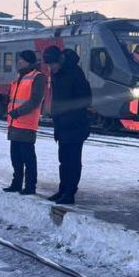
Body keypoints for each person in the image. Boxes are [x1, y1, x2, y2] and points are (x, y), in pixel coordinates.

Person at [43, 46, 92, 205]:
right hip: (62, 125)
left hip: (76, 125)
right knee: (63, 161)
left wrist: (70, 114)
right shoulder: (57, 73)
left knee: (73, 161)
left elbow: (86, 98)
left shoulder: (75, 73)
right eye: (48, 66)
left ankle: (70, 193)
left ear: (60, 61)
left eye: (52, 65)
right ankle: (63, 189)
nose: (50, 68)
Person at [4, 50, 46, 195]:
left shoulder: (37, 77)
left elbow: (35, 100)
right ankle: (16, 184)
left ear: (29, 61)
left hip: (27, 123)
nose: (18, 62)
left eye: (21, 60)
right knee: (15, 157)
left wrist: (17, 112)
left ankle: (30, 186)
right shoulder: (19, 76)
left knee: (28, 157)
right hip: (14, 123)